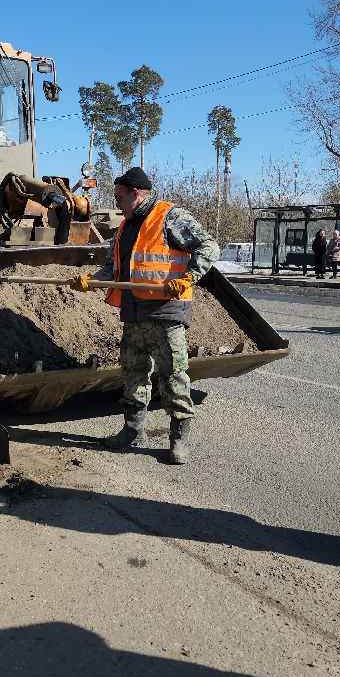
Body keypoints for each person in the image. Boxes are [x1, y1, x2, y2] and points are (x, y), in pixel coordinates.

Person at [71, 167, 219, 464]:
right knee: (133, 374)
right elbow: (113, 268)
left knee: (173, 375)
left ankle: (179, 440)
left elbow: (209, 246)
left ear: (136, 194)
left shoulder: (170, 217)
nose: (116, 203)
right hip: (134, 312)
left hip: (165, 312)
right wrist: (91, 280)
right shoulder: (125, 227)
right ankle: (132, 430)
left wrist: (189, 278)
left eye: (119, 197)